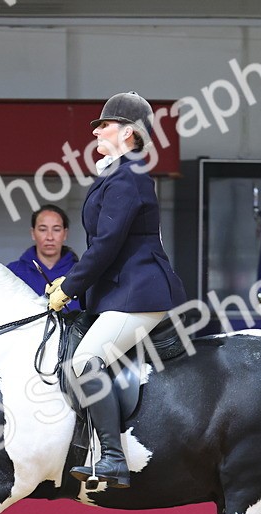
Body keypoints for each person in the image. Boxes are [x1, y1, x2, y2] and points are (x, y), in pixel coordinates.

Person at [45, 91, 186, 489]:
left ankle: (112, 457)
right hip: (121, 291)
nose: (96, 132)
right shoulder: (117, 174)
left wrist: (70, 287)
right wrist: (70, 283)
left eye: (104, 125)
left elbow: (106, 245)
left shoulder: (129, 176)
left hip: (139, 293)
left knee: (85, 361)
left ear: (127, 132)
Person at [6, 204, 80, 313]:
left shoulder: (80, 274)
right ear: (33, 233)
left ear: (65, 234)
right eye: (43, 229)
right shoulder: (13, 272)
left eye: (56, 229)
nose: (50, 237)